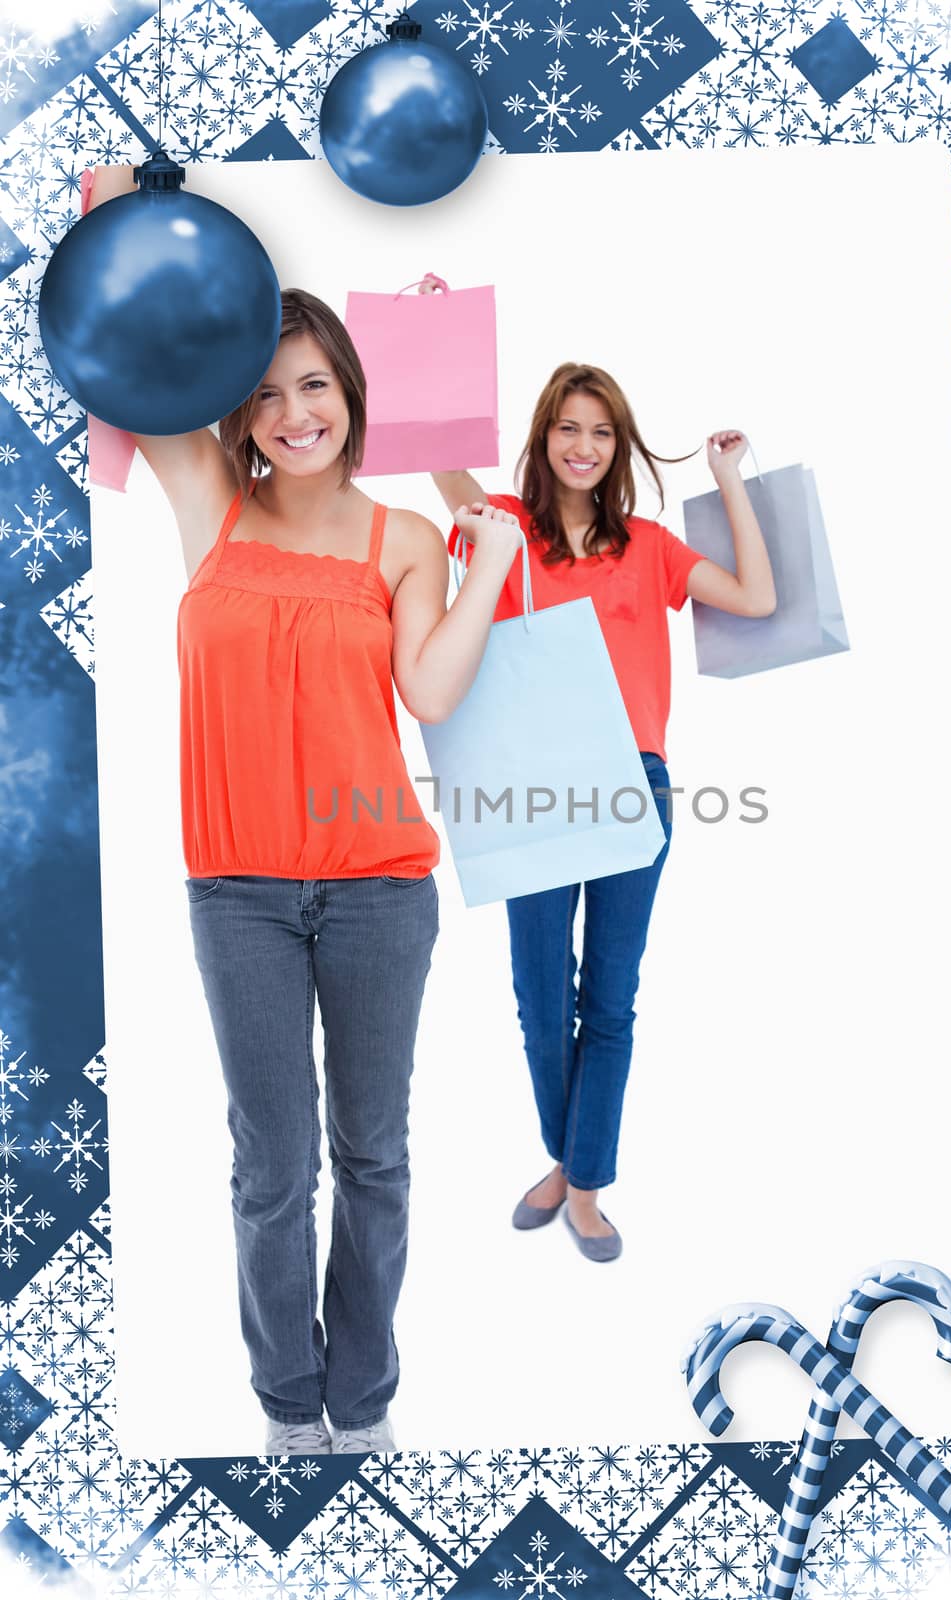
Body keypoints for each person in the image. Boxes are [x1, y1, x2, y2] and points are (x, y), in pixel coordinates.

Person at [86, 169, 523, 1453]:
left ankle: (364, 1404)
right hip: (238, 894)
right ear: (241, 409)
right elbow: (124, 352)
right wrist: (123, 204)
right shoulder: (207, 505)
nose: (291, 413)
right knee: (273, 1174)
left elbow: (432, 691)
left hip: (382, 887)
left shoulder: (395, 537)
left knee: (372, 1159)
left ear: (352, 395)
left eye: (315, 384)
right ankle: (289, 1409)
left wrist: (486, 561)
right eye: (266, 392)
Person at [433, 362, 775, 1263]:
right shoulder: (503, 529)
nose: (583, 448)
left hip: (637, 784)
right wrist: (428, 340)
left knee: (608, 1001)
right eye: (567, 429)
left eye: (601, 433)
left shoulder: (650, 545)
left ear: (617, 447)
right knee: (538, 999)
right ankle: (570, 1157)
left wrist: (728, 479)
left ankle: (581, 1184)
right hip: (532, 786)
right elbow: (442, 467)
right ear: (543, 438)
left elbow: (756, 598)